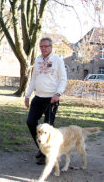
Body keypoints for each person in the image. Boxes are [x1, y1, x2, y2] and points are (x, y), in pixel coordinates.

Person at [24, 37, 68, 165]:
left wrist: (58, 94)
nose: (43, 49)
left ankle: (45, 154)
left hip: (51, 99)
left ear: (51, 47)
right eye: (41, 46)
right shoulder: (37, 61)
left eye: (46, 46)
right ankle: (42, 149)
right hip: (38, 98)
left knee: (47, 128)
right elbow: (33, 80)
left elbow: (63, 79)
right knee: (31, 122)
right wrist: (27, 95)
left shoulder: (58, 60)